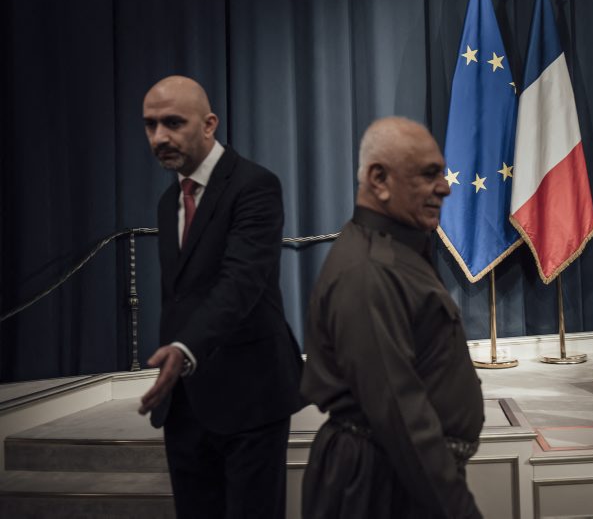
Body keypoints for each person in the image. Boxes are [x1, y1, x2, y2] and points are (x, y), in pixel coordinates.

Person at [300, 116, 484, 518]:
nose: (445, 187)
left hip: (394, 476)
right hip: (379, 484)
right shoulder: (369, 272)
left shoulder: (395, 251)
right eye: (428, 175)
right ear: (379, 180)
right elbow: (401, 416)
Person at [138, 75, 304, 518]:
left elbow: (241, 283)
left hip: (250, 395)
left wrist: (183, 348)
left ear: (209, 124)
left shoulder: (255, 185)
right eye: (150, 125)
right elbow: (182, 297)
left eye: (173, 122)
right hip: (184, 402)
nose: (159, 137)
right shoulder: (167, 202)